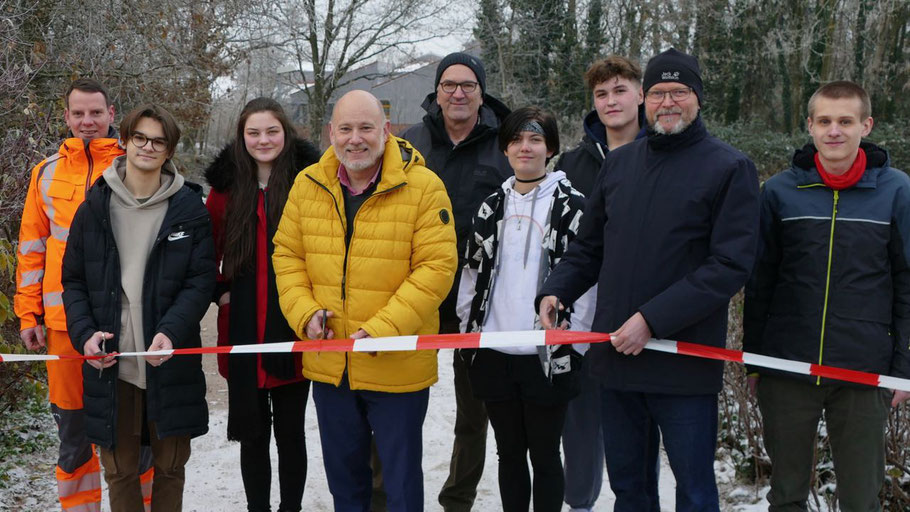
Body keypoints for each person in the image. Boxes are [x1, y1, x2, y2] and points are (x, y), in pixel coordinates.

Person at [537, 48, 760, 511]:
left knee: (695, 492)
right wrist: (556, 289)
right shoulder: (620, 165)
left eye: (679, 91)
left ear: (697, 97)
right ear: (646, 99)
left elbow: (728, 266)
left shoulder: (728, 167)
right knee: (630, 489)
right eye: (659, 92)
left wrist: (652, 321)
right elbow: (589, 248)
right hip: (618, 361)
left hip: (684, 364)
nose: (668, 102)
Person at [272, 89, 457, 512]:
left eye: (366, 128)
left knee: (401, 484)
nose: (356, 139)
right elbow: (287, 255)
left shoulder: (424, 186)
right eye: (346, 129)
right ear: (330, 133)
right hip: (331, 365)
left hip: (395, 365)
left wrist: (383, 329)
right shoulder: (308, 184)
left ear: (386, 131)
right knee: (345, 483)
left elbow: (436, 269)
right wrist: (304, 315)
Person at [743, 80, 910, 510]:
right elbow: (761, 281)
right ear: (811, 127)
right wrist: (754, 359)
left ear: (866, 125)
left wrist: (902, 367)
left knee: (860, 500)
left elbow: (907, 282)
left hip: (863, 370)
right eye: (824, 121)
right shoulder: (779, 191)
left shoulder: (897, 191)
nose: (834, 131)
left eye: (845, 121)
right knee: (786, 496)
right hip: (787, 367)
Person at [61, 104, 215, 512]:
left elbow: (200, 282)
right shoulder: (94, 207)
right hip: (113, 362)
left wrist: (172, 330)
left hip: (169, 358)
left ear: (169, 150)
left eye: (159, 141)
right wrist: (84, 334)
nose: (148, 147)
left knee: (169, 466)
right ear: (125, 141)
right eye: (140, 138)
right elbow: (73, 280)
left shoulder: (189, 209)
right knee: (120, 469)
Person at [14, 78, 152, 512]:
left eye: (96, 113)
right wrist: (28, 316)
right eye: (78, 113)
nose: (87, 121)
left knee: (135, 429)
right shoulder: (46, 172)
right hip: (62, 329)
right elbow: (31, 247)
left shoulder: (137, 164)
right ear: (67, 116)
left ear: (112, 114)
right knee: (73, 433)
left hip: (126, 322)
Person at [457, 106, 592, 512]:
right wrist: (470, 333)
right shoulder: (490, 207)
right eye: (516, 139)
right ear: (505, 148)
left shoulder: (573, 206)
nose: (525, 147)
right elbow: (471, 275)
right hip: (495, 352)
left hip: (549, 354)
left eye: (535, 139)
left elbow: (588, 274)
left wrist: (576, 339)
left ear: (550, 147)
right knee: (508, 453)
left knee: (546, 454)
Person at [400, 51, 512, 512]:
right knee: (398, 405)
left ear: (481, 92)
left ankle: (458, 498)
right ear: (437, 92)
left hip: (479, 297)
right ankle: (391, 496)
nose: (459, 93)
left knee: (474, 411)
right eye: (450, 84)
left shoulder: (503, 142)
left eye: (468, 85)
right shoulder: (411, 143)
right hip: (415, 292)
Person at [553, 55, 659, 512]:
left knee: (638, 440)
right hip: (582, 323)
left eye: (620, 91)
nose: (611, 101)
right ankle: (580, 504)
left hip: (644, 323)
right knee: (579, 433)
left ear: (640, 94)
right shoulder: (571, 164)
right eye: (601, 94)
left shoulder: (667, 155)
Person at [204, 97, 320, 512]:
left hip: (291, 324)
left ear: (285, 134)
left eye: (272, 131)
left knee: (291, 434)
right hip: (243, 329)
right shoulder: (223, 191)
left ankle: (291, 507)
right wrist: (221, 291)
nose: (263, 139)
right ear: (241, 137)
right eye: (253, 132)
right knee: (252, 434)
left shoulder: (311, 182)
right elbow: (207, 251)